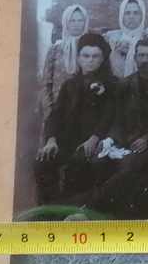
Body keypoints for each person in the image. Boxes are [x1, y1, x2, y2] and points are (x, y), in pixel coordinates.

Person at [35, 32, 116, 203]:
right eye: (86, 56)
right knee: (43, 162)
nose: (90, 60)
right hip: (67, 141)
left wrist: (94, 138)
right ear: (78, 58)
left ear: (102, 59)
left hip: (94, 142)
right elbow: (55, 115)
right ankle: (50, 209)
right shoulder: (69, 84)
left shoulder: (112, 84)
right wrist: (51, 140)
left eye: (95, 56)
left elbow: (110, 116)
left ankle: (70, 209)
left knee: (77, 166)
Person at [39, 3, 88, 130]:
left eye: (80, 20)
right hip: (58, 111)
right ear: (66, 22)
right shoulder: (55, 49)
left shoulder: (92, 48)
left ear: (85, 22)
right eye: (72, 20)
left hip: (85, 112)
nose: (76, 24)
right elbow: (46, 83)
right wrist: (49, 112)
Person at [104, 0, 148, 78]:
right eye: (127, 13)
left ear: (142, 16)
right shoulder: (111, 39)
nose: (131, 17)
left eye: (136, 13)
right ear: (121, 16)